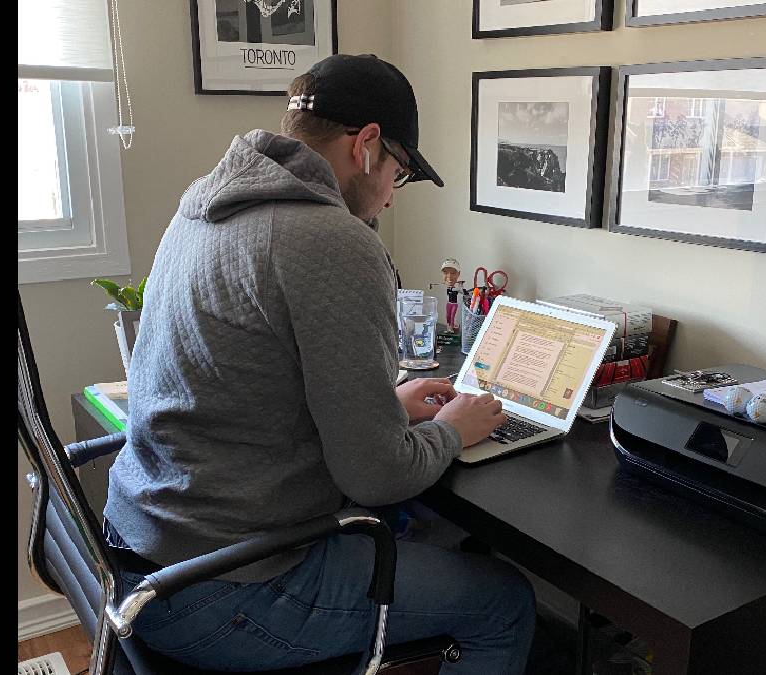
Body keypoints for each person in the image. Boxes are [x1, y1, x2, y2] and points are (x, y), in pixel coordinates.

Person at [103, 53, 535, 673]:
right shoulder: (331, 240)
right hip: (227, 589)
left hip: (142, 555)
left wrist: (389, 408)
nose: (390, 196)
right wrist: (451, 431)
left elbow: (258, 387)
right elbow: (378, 477)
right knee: (506, 601)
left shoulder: (205, 203)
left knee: (431, 539)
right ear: (366, 145)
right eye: (400, 172)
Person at [440, 257, 464, 332]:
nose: (449, 276)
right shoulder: (448, 288)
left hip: (454, 304)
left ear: (458, 274)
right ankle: (448, 327)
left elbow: (462, 292)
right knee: (448, 316)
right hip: (448, 304)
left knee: (452, 316)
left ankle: (452, 327)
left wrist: (460, 285)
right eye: (445, 273)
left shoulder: (457, 288)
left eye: (453, 273)